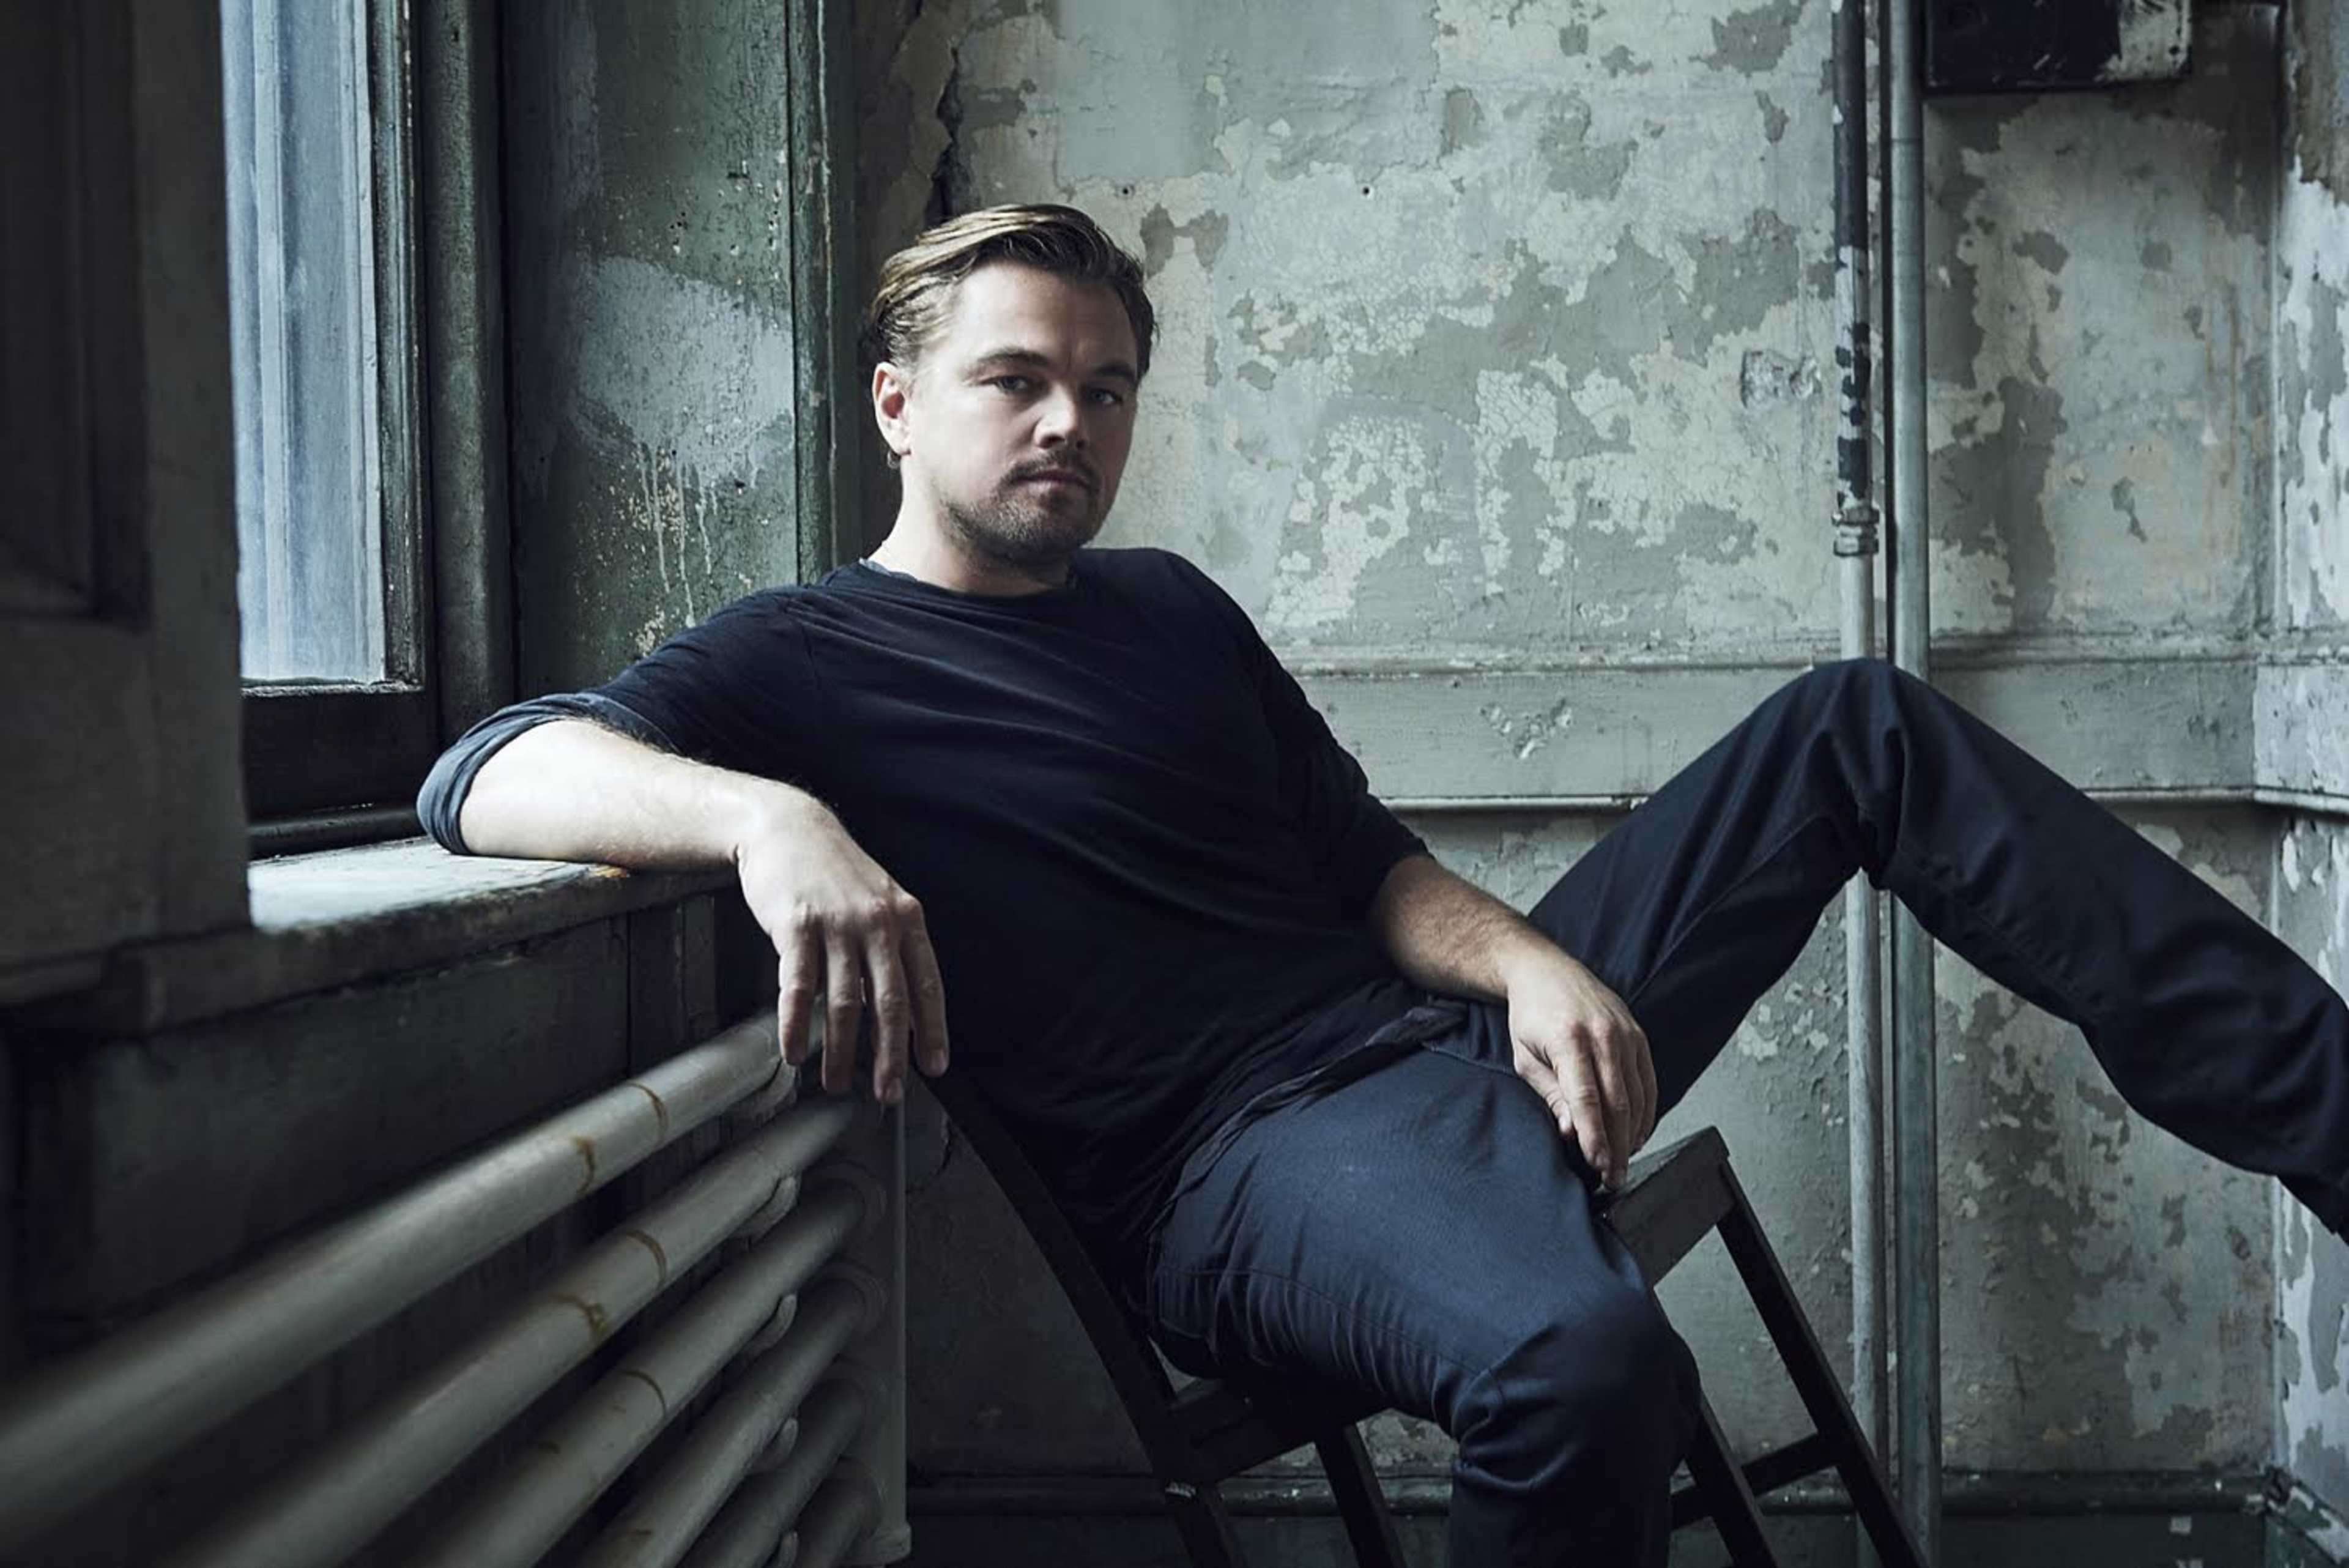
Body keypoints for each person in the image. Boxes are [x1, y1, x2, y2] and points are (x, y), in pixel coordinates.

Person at [420, 203, 2349, 1567]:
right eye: (1016, 379)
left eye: (1106, 387)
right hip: (1238, 1163)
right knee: (1580, 1356)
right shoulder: (799, 660)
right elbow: (477, 771)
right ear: (898, 405)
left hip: (1426, 1042)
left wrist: (1525, 968)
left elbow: (1363, 863)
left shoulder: (1167, 609)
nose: (1069, 422)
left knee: (1858, 723)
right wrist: (773, 821)